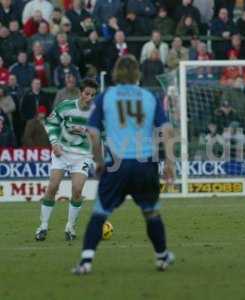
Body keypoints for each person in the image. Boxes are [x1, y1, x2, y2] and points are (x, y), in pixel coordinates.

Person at [72, 55, 175, 275]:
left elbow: (92, 131)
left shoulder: (106, 96)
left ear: (116, 73)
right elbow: (166, 130)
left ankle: (86, 261)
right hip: (144, 163)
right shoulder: (149, 96)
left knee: (100, 212)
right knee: (151, 212)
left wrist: (99, 161)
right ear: (137, 73)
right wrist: (169, 162)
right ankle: (162, 257)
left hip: (116, 164)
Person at [34, 78, 99, 242]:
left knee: (77, 190)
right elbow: (51, 124)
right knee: (53, 186)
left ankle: (70, 227)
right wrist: (54, 143)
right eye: (86, 93)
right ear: (80, 92)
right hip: (61, 152)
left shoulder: (96, 112)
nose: (89, 97)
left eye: (92, 95)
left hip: (82, 154)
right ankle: (43, 226)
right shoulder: (65, 106)